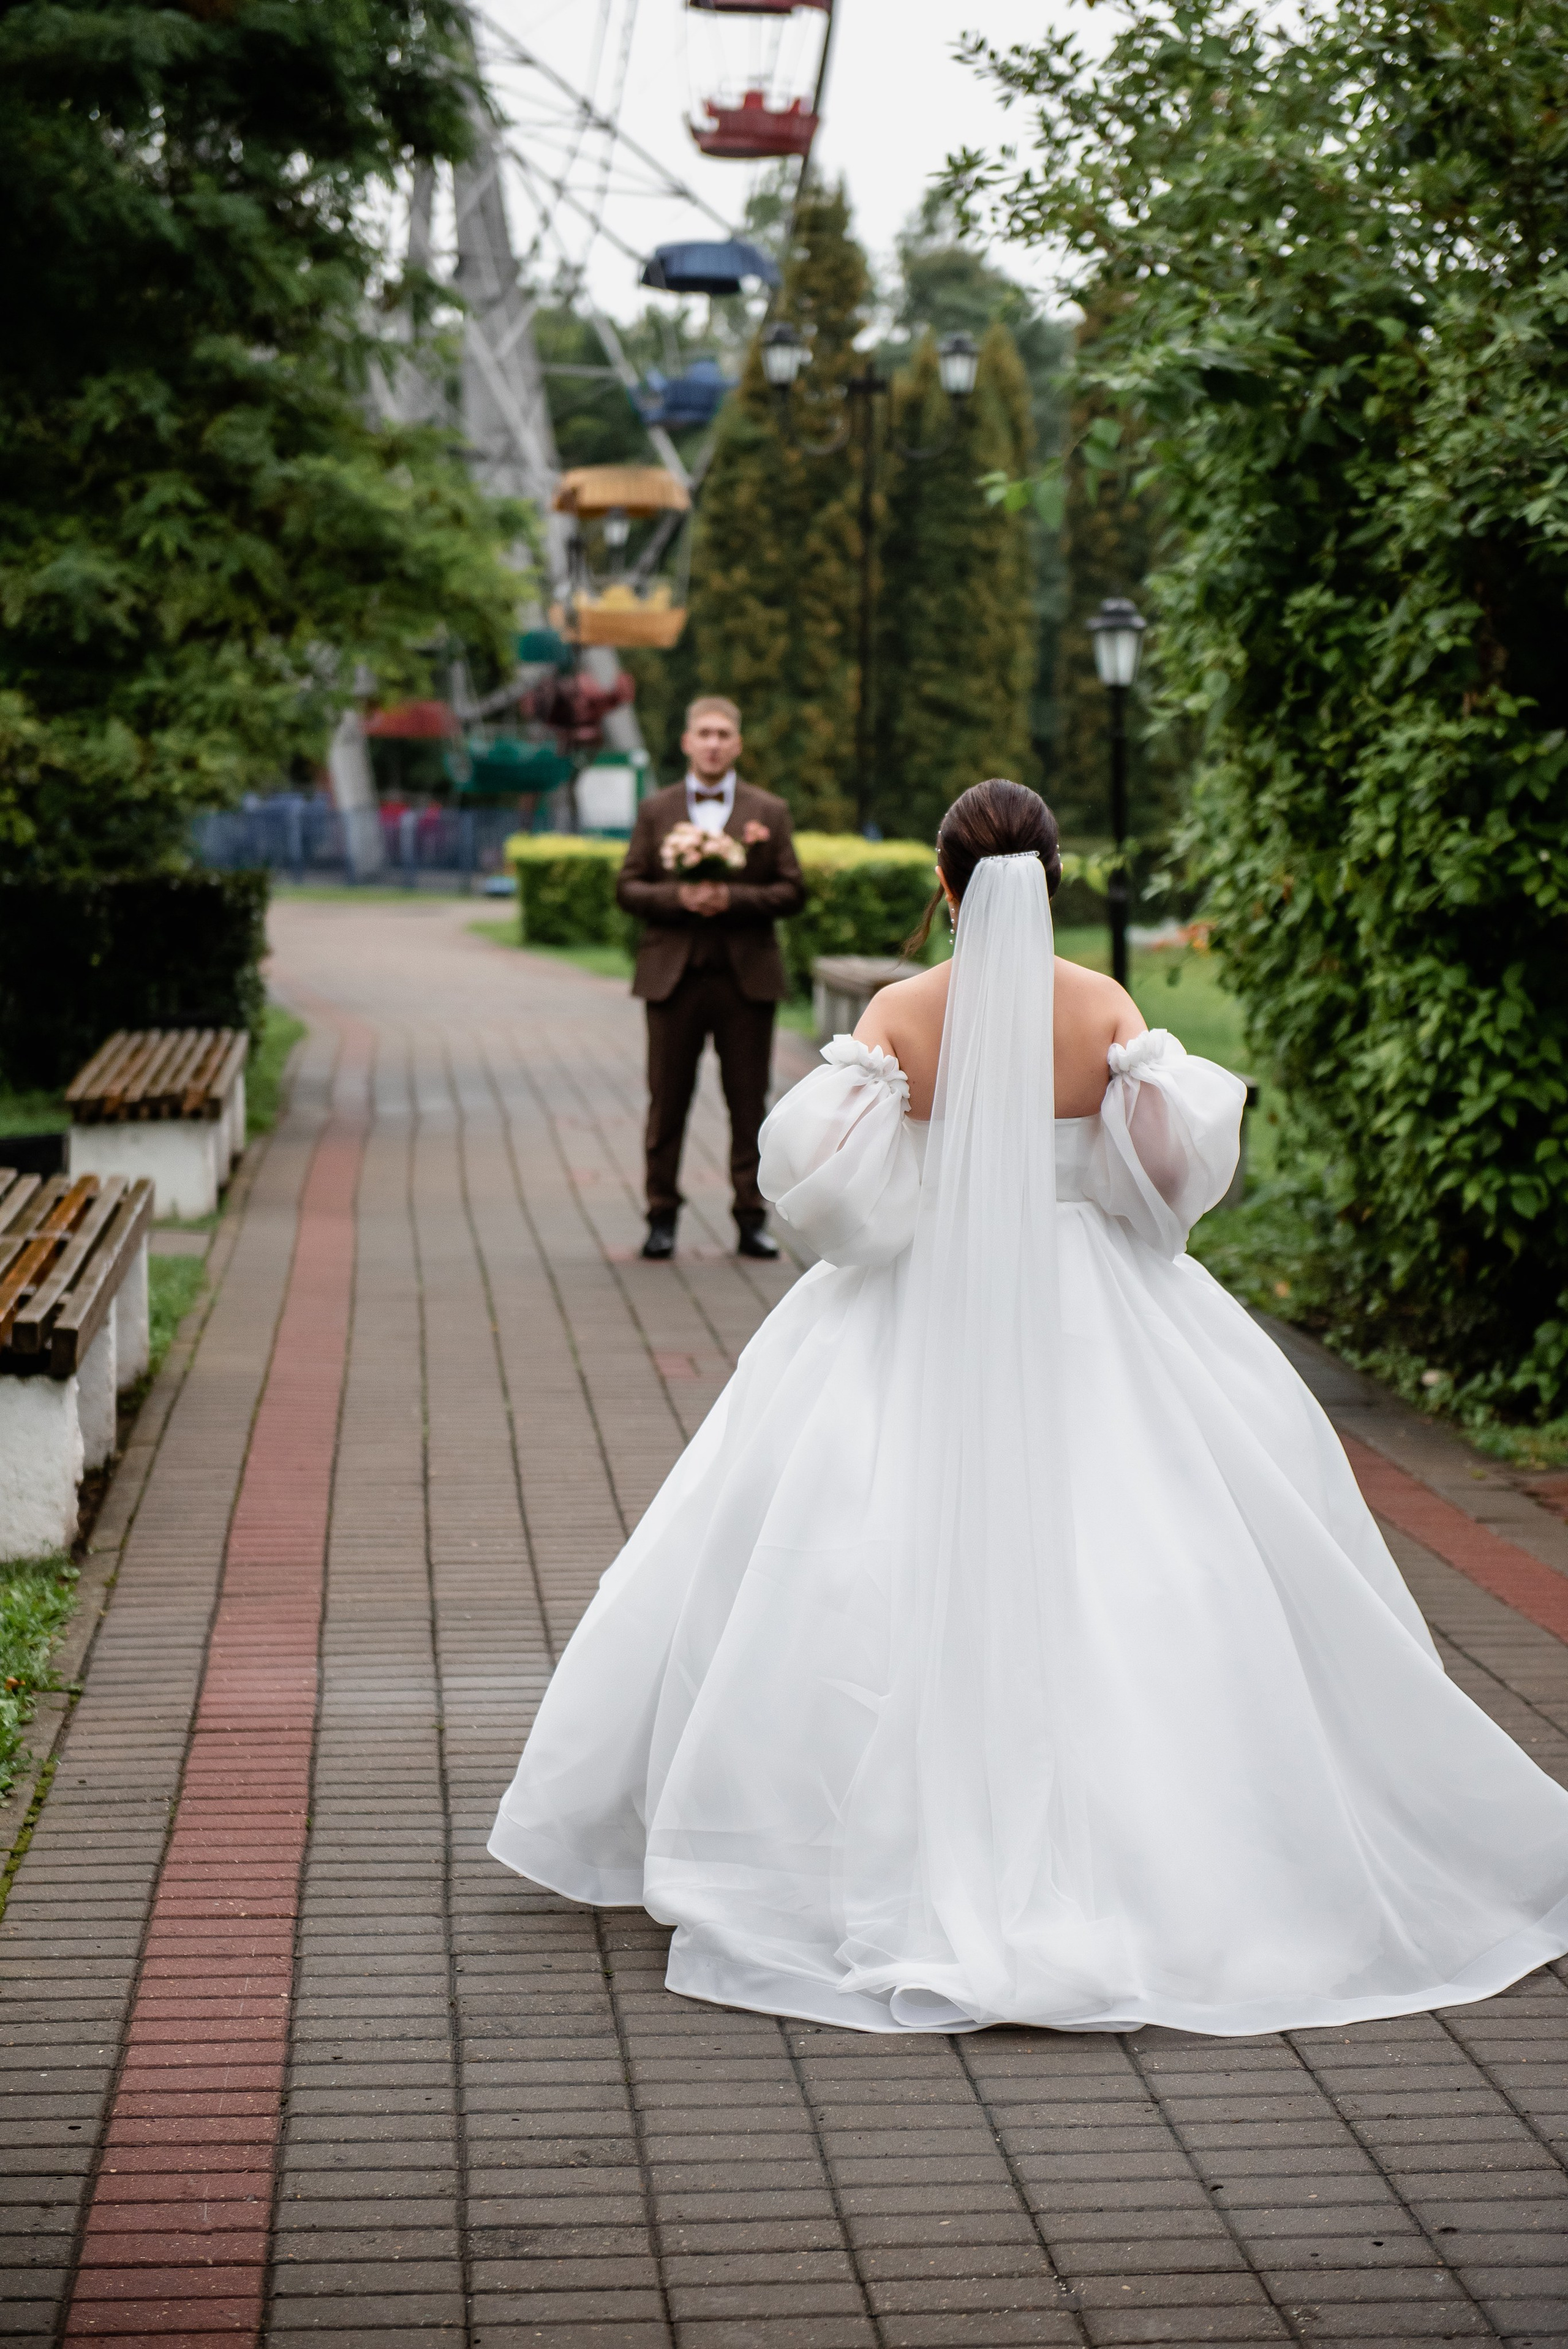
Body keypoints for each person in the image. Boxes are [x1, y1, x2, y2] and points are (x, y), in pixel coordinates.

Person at [492, 778, 1568, 2035]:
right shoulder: (1101, 1006)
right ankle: (1177, 1839)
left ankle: (806, 1838)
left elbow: (828, 1203)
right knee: (1159, 1551)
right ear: (1050, 883)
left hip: (912, 1303)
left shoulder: (899, 1011)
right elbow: (1164, 1183)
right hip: (1097, 1306)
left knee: (815, 1539)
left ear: (942, 888)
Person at [615, 695, 805, 1261]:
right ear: (686, 742)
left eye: (724, 733)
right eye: (705, 733)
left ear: (738, 743)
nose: (714, 742)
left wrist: (732, 896)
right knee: (666, 1101)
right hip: (672, 981)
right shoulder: (657, 810)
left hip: (746, 981)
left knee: (749, 1103)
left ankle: (751, 1217)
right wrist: (681, 896)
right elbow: (628, 887)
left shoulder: (768, 812)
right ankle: (661, 1216)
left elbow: (792, 890)